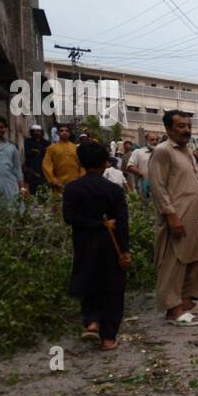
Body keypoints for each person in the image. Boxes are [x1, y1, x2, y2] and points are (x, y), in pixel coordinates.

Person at [148, 110, 198, 326]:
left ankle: (188, 300)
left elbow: (196, 184)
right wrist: (171, 215)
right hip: (179, 216)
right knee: (175, 260)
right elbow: (157, 187)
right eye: (180, 126)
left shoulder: (188, 151)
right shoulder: (163, 151)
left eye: (188, 125)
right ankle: (173, 310)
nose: (186, 130)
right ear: (168, 129)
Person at [62, 141, 131, 351]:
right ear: (104, 164)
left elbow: (69, 218)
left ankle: (91, 322)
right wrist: (125, 250)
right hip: (110, 247)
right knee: (112, 289)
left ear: (80, 163)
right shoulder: (114, 190)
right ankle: (108, 338)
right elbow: (122, 224)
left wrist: (93, 224)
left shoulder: (72, 188)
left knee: (88, 281)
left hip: (84, 244)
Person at [42, 124, 83, 196]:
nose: (64, 132)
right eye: (62, 131)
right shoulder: (51, 148)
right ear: (58, 133)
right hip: (59, 184)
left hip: (76, 183)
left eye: (67, 131)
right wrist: (53, 180)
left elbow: (82, 165)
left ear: (70, 133)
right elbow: (46, 165)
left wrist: (82, 179)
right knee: (59, 205)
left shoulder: (76, 148)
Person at [22, 124, 48, 199]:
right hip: (31, 167)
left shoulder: (46, 143)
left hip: (42, 167)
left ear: (41, 132)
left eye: (38, 131)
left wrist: (37, 151)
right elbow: (28, 153)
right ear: (31, 132)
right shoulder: (28, 141)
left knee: (43, 185)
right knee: (32, 186)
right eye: (34, 131)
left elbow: (47, 154)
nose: (36, 133)